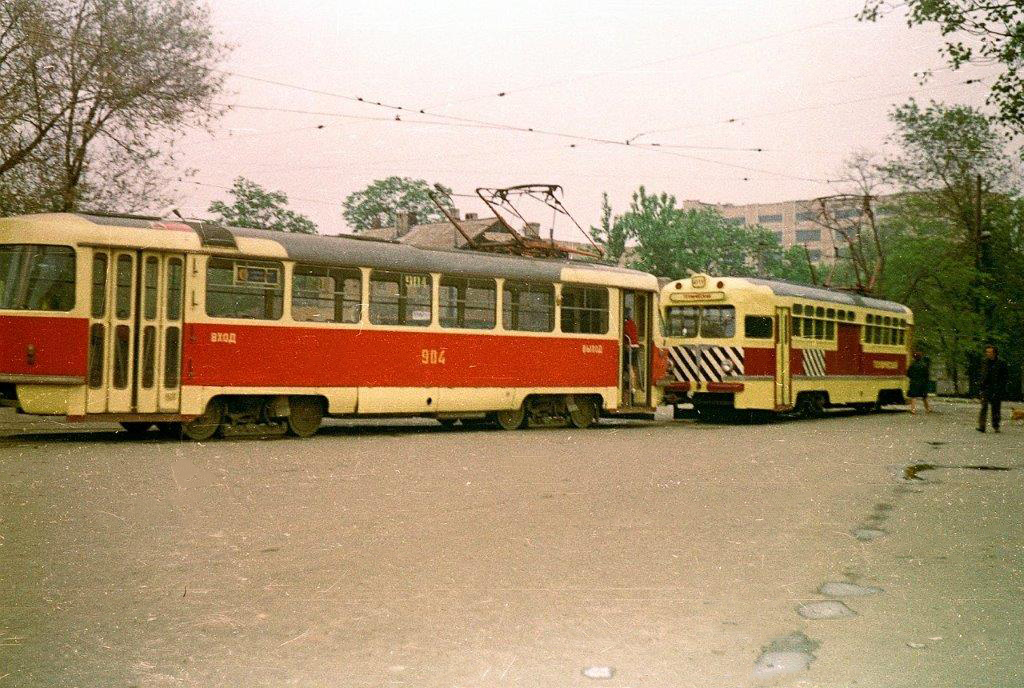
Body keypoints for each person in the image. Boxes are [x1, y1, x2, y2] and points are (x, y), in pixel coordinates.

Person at [977, 345, 1009, 433]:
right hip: (985, 388)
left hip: (996, 388)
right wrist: (981, 385)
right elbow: (981, 374)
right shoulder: (984, 362)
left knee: (996, 408)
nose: (988, 354)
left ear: (995, 353)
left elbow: (1005, 377)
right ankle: (982, 426)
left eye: (990, 352)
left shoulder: (1001, 363)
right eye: (987, 352)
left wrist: (1001, 387)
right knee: (984, 407)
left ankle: (996, 425)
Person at [623, 309, 640, 400]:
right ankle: (633, 387)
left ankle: (631, 387)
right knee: (633, 368)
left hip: (630, 347)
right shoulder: (633, 323)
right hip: (636, 346)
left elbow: (626, 334)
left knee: (629, 367)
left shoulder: (625, 325)